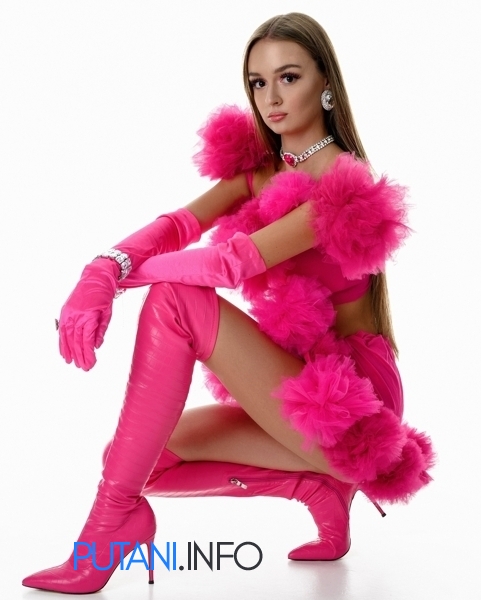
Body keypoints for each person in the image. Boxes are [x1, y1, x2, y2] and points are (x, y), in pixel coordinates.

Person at [22, 12, 435, 594]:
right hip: (291, 382)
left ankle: (105, 531)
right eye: (258, 83)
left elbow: (229, 264)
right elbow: (175, 227)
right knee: (139, 458)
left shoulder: (344, 180)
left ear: (325, 82)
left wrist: (116, 282)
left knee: (175, 300)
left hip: (351, 404)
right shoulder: (260, 171)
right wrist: (101, 267)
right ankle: (314, 488)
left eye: (288, 77)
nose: (271, 98)